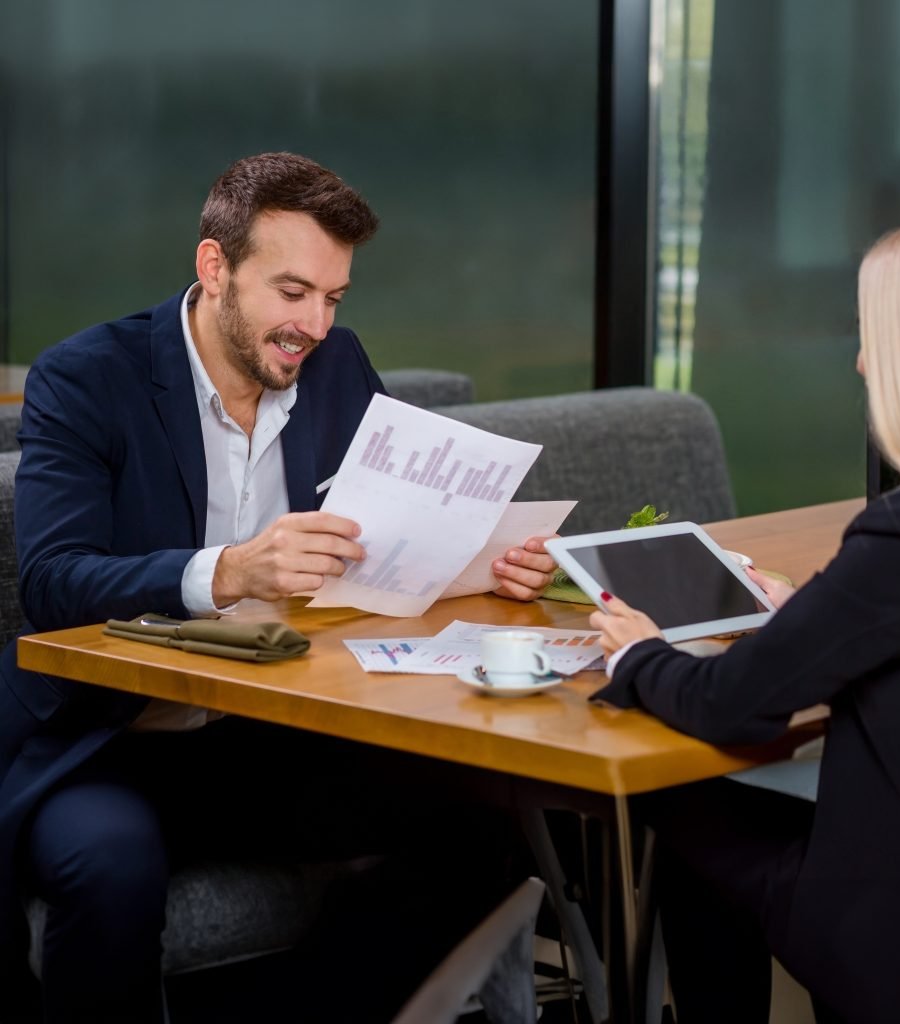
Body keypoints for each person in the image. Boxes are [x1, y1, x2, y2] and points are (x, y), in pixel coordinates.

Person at [0, 152, 556, 1021]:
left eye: (334, 298)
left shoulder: (338, 368)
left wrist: (485, 564)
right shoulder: (88, 377)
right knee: (108, 866)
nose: (316, 326)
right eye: (293, 292)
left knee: (483, 826)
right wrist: (227, 570)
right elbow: (52, 580)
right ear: (214, 266)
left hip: (274, 736)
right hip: (109, 743)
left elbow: (388, 539)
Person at [589, 212, 900, 1023]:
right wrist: (814, 618)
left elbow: (730, 704)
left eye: (873, 336)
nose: (860, 360)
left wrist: (638, 652)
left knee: (676, 800)